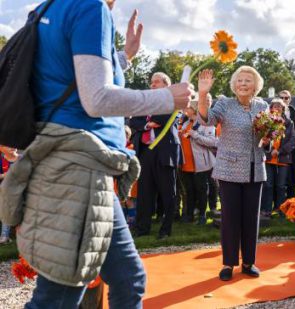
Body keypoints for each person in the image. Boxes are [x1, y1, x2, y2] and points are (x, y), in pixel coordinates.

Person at [0, 1, 192, 308]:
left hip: (71, 162)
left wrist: (124, 57)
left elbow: (71, 79)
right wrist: (167, 97)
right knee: (59, 295)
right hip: (79, 169)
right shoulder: (90, 6)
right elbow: (96, 98)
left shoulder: (52, 7)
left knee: (128, 278)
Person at [197, 67, 270, 281]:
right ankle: (228, 264)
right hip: (229, 169)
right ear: (234, 84)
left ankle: (249, 263)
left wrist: (268, 139)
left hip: (255, 169)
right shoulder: (225, 104)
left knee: (250, 219)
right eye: (239, 80)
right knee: (230, 219)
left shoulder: (262, 105)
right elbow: (206, 120)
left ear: (256, 85)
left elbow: (268, 133)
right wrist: (202, 94)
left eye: (248, 80)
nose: (243, 84)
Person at [130, 72, 181, 239]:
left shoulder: (172, 100)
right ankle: (142, 227)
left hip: (164, 151)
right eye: (151, 82)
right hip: (145, 151)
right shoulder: (145, 101)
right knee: (144, 192)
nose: (152, 85)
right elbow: (133, 121)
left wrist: (147, 122)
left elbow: (163, 118)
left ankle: (166, 229)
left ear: (166, 85)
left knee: (167, 192)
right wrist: (146, 124)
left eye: (156, 82)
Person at [179, 95, 218, 225]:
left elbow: (213, 142)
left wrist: (195, 135)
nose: (185, 109)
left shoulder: (206, 123)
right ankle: (189, 215)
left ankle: (202, 215)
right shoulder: (185, 122)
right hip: (186, 163)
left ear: (195, 109)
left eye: (188, 107)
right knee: (189, 191)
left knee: (201, 190)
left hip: (200, 163)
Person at [261, 98, 295, 217]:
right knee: (268, 185)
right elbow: (262, 139)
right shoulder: (266, 122)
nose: (277, 108)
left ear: (283, 109)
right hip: (269, 158)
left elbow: (292, 141)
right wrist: (268, 147)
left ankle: (281, 211)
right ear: (271, 108)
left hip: (283, 158)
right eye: (275, 106)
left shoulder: (289, 123)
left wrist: (279, 151)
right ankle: (267, 210)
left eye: (280, 106)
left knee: (281, 186)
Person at [278, 90, 295, 199]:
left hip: (291, 150)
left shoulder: (294, 112)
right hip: (276, 151)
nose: (284, 100)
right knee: (277, 179)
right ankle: (277, 205)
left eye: (286, 98)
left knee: (291, 178)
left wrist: (289, 142)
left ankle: (292, 203)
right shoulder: (272, 111)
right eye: (281, 97)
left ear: (290, 99)